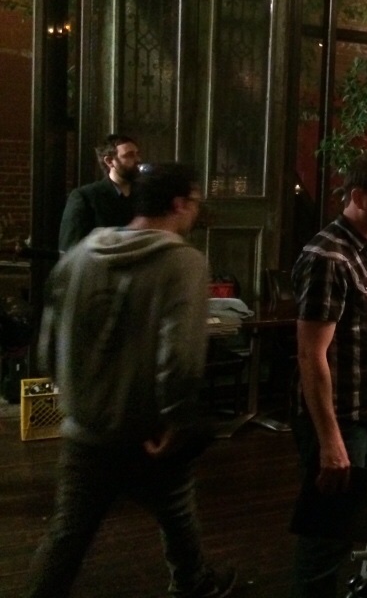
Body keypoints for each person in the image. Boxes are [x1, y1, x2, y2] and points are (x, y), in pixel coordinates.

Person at [27, 163, 235, 598]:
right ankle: (192, 583)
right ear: (179, 203)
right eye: (195, 202)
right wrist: (177, 418)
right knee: (175, 511)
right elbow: (178, 355)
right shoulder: (183, 262)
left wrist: (78, 399)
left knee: (67, 536)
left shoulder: (82, 254)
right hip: (147, 431)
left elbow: (48, 344)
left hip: (85, 429)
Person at [290, 151, 367, 598]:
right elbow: (311, 355)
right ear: (358, 197)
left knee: (344, 527)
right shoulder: (329, 257)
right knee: (326, 540)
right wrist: (330, 441)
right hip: (339, 418)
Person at [58, 133, 142, 252]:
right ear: (109, 161)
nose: (138, 160)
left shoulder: (144, 194)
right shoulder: (86, 197)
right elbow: (69, 248)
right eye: (129, 155)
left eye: (137, 154)